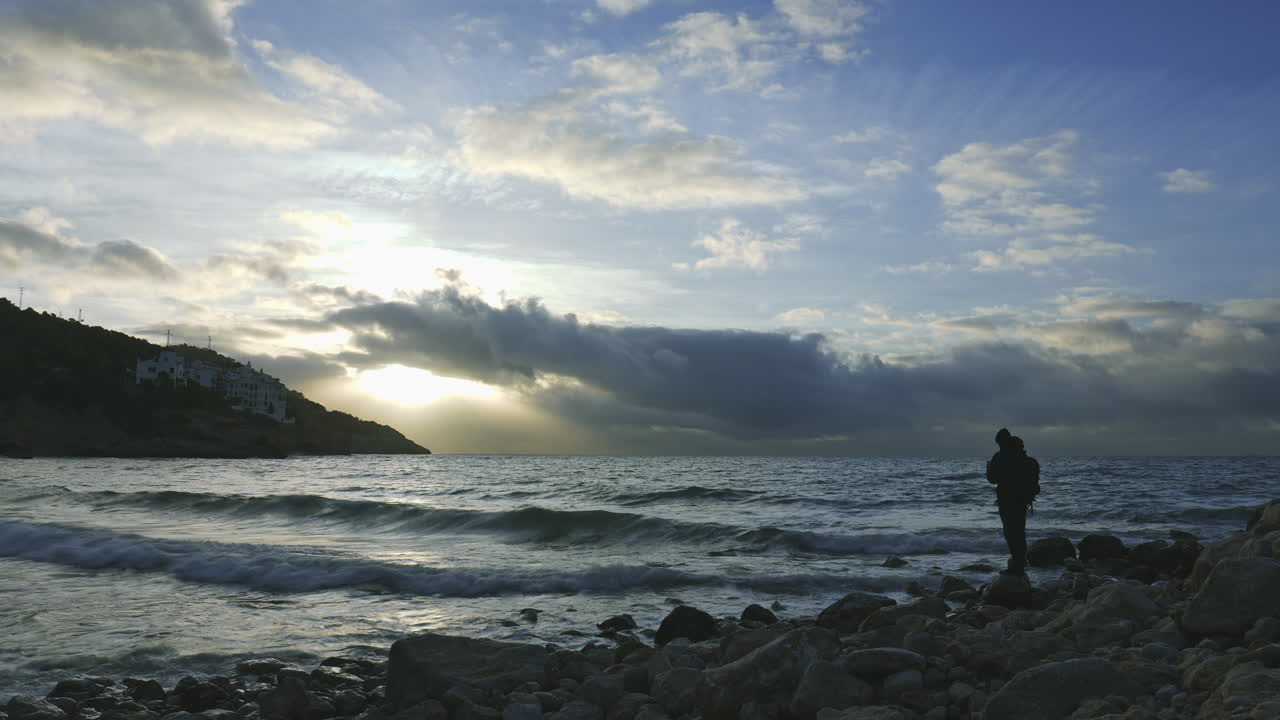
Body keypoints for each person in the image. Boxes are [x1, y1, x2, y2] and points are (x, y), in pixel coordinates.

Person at [986, 428, 1040, 575]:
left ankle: (1017, 565)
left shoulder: (1000, 456)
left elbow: (992, 479)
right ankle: (1020, 563)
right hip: (1022, 500)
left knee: (1010, 533)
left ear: (1001, 442)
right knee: (1019, 531)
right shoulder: (1025, 458)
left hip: (1007, 500)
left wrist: (988, 467)